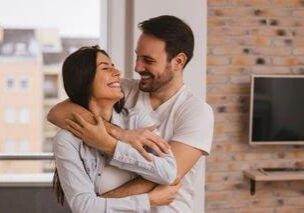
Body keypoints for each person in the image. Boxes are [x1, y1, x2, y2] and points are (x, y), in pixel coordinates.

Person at [49, 15, 214, 212]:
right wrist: (119, 133)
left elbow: (171, 175)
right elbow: (58, 112)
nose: (137, 67)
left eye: (148, 60)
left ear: (178, 61)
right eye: (138, 56)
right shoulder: (124, 91)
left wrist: (99, 201)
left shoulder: (196, 112)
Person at [53, 46, 181, 213]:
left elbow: (169, 173)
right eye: (106, 68)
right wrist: (149, 200)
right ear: (84, 79)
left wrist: (111, 146)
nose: (117, 72)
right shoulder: (67, 140)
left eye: (113, 65)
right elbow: (83, 207)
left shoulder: (137, 121)